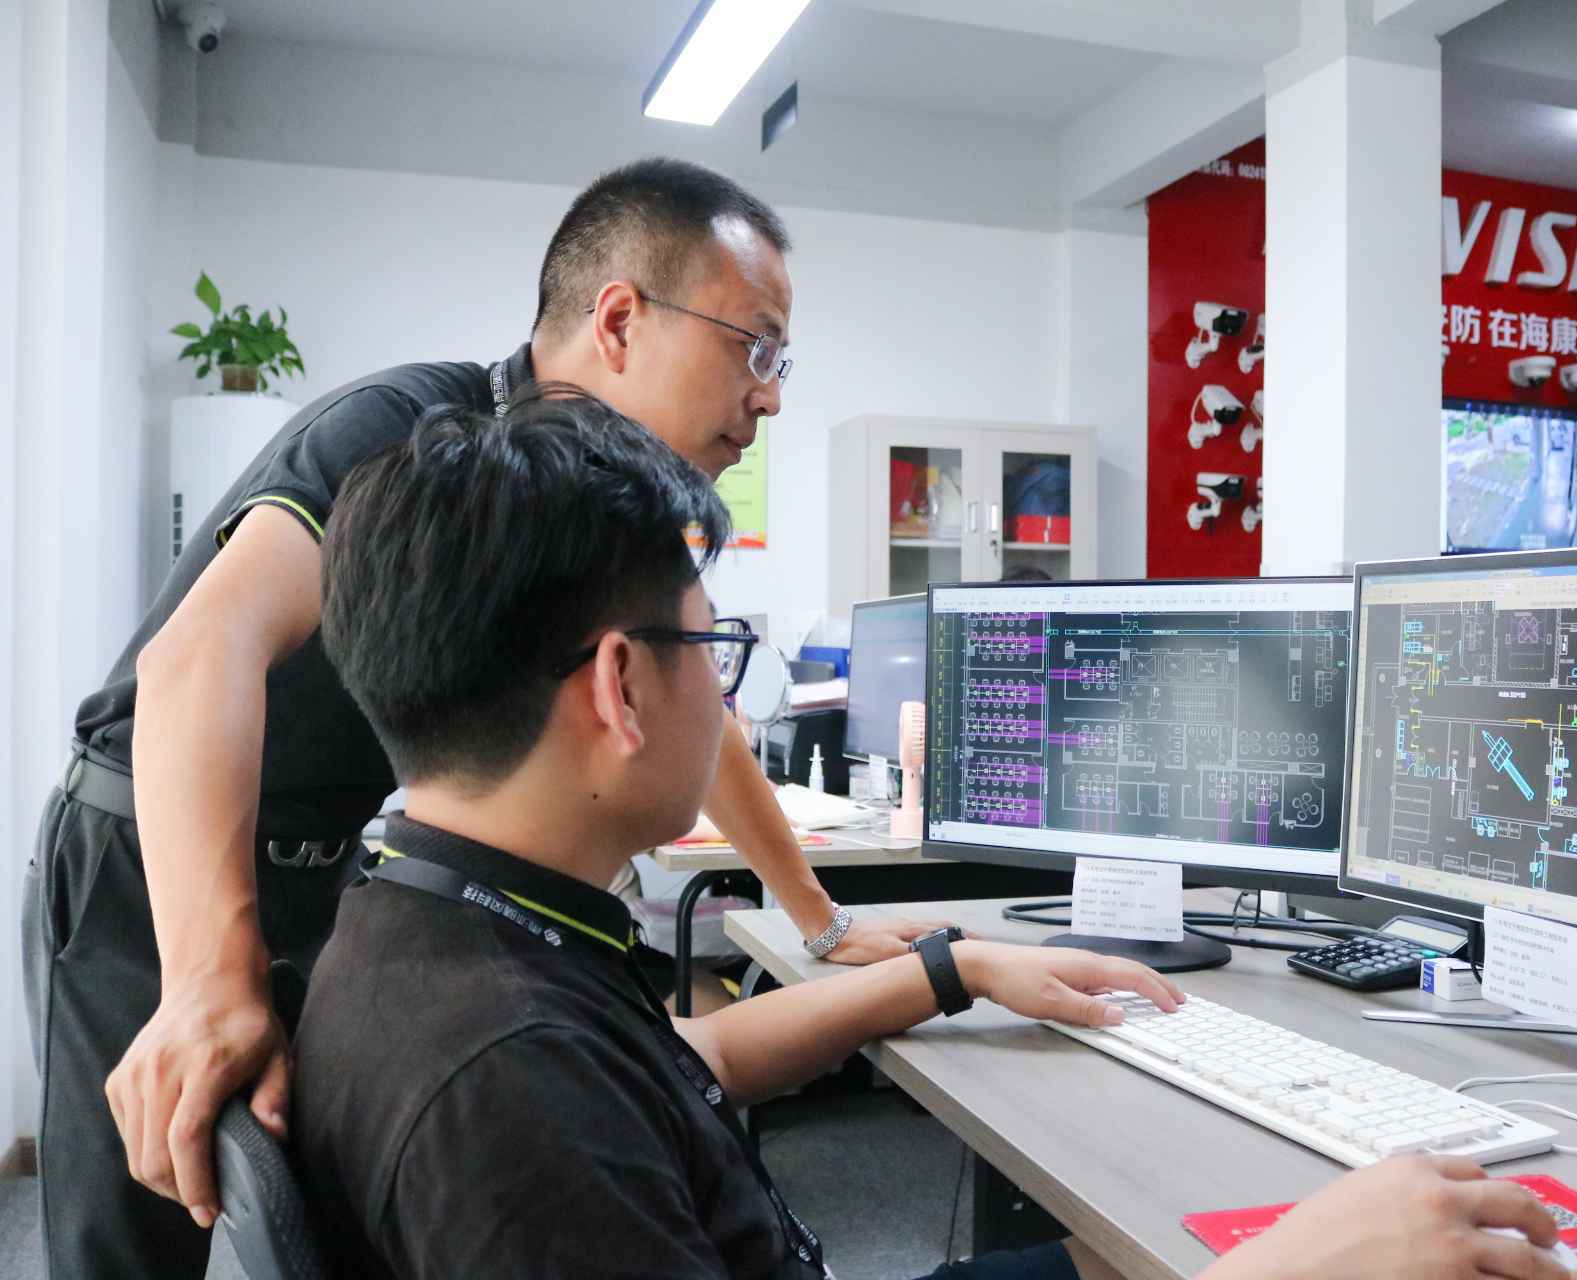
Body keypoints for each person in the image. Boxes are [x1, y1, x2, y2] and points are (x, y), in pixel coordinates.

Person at [296, 389, 1568, 1280]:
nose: (724, 698)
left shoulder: (436, 914)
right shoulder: (506, 1087)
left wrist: (952, 969)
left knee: (1131, 1253)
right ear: (620, 686)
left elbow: (680, 1062)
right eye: (712, 646)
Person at [22, 156, 939, 1277]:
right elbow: (196, 657)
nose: (771, 395)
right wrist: (211, 974)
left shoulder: (591, 499)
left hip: (323, 861)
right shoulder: (410, 434)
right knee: (152, 1211)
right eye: (755, 346)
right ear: (619, 320)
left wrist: (820, 920)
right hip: (154, 850)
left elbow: (682, 691)